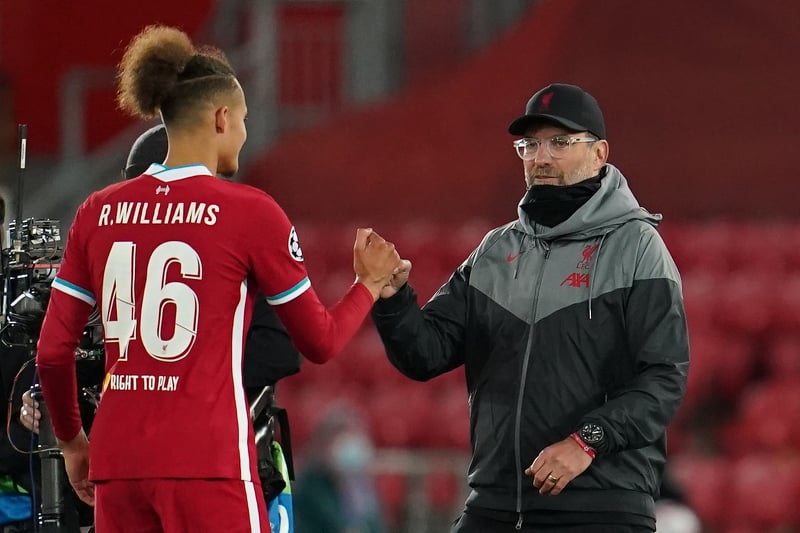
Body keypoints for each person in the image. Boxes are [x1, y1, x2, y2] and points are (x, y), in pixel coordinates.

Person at [34, 24, 400, 533]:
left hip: (118, 467)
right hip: (209, 465)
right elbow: (319, 341)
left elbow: (53, 352)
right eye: (245, 119)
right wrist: (366, 285)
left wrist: (74, 443)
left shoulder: (96, 212)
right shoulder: (251, 212)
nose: (246, 134)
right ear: (222, 116)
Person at [371, 83, 690, 532]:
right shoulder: (495, 251)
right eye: (529, 144)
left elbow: (663, 377)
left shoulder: (638, 247)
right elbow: (424, 354)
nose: (540, 157)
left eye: (560, 143)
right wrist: (392, 297)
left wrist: (587, 441)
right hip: (497, 502)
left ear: (599, 154)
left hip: (600, 506)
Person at [293, 403, 386, 533]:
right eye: (342, 438)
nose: (350, 446)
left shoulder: (363, 488)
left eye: (354, 435)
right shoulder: (308, 488)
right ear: (323, 443)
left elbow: (376, 527)